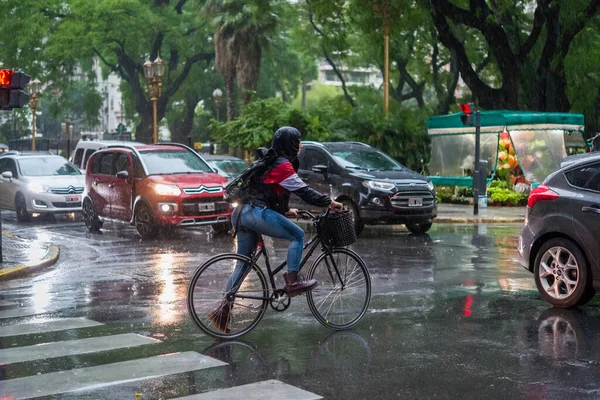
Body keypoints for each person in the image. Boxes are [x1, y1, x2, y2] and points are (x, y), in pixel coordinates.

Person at [209, 126, 343, 333]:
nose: (299, 146)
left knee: (243, 265)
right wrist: (330, 202)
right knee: (297, 235)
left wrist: (288, 210)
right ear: (290, 144)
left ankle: (222, 311)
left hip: (242, 214)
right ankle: (292, 282)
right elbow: (304, 191)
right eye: (297, 141)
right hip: (256, 213)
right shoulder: (283, 166)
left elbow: (266, 190)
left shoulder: (269, 162)